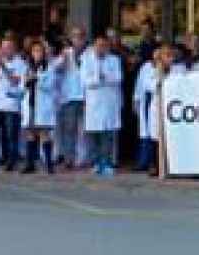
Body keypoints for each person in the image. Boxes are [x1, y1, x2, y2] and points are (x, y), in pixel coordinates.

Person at [80, 33, 125, 176]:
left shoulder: (114, 60)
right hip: (94, 102)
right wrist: (98, 78)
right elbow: (84, 80)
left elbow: (118, 77)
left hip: (109, 101)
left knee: (107, 135)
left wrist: (104, 76)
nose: (101, 48)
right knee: (94, 135)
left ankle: (106, 163)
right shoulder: (86, 60)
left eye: (104, 46)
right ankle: (96, 162)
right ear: (93, 46)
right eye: (98, 46)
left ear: (108, 47)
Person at [134, 45, 180, 173]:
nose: (170, 59)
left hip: (173, 106)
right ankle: (155, 165)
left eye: (171, 56)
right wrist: (160, 73)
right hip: (157, 106)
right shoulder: (152, 70)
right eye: (167, 56)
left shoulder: (177, 69)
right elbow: (150, 85)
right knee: (156, 136)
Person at [0, 38, 28, 170]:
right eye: (3, 47)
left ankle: (11, 159)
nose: (4, 50)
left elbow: (16, 82)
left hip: (11, 103)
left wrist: (3, 67)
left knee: (10, 134)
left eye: (8, 47)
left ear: (14, 48)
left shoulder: (20, 63)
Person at [23, 39, 61, 174]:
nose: (36, 54)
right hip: (31, 103)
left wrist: (37, 79)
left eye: (39, 51)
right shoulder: (28, 67)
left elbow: (50, 85)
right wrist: (27, 80)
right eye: (34, 51)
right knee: (30, 133)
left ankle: (49, 164)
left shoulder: (49, 67)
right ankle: (30, 164)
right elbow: (23, 85)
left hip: (43, 104)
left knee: (44, 133)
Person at [56, 26, 88, 169]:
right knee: (69, 129)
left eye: (80, 36)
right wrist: (63, 60)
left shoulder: (90, 53)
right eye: (75, 36)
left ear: (84, 38)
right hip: (69, 96)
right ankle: (69, 158)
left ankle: (82, 158)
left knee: (84, 130)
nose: (78, 39)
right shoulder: (65, 53)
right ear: (71, 38)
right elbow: (56, 70)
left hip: (86, 96)